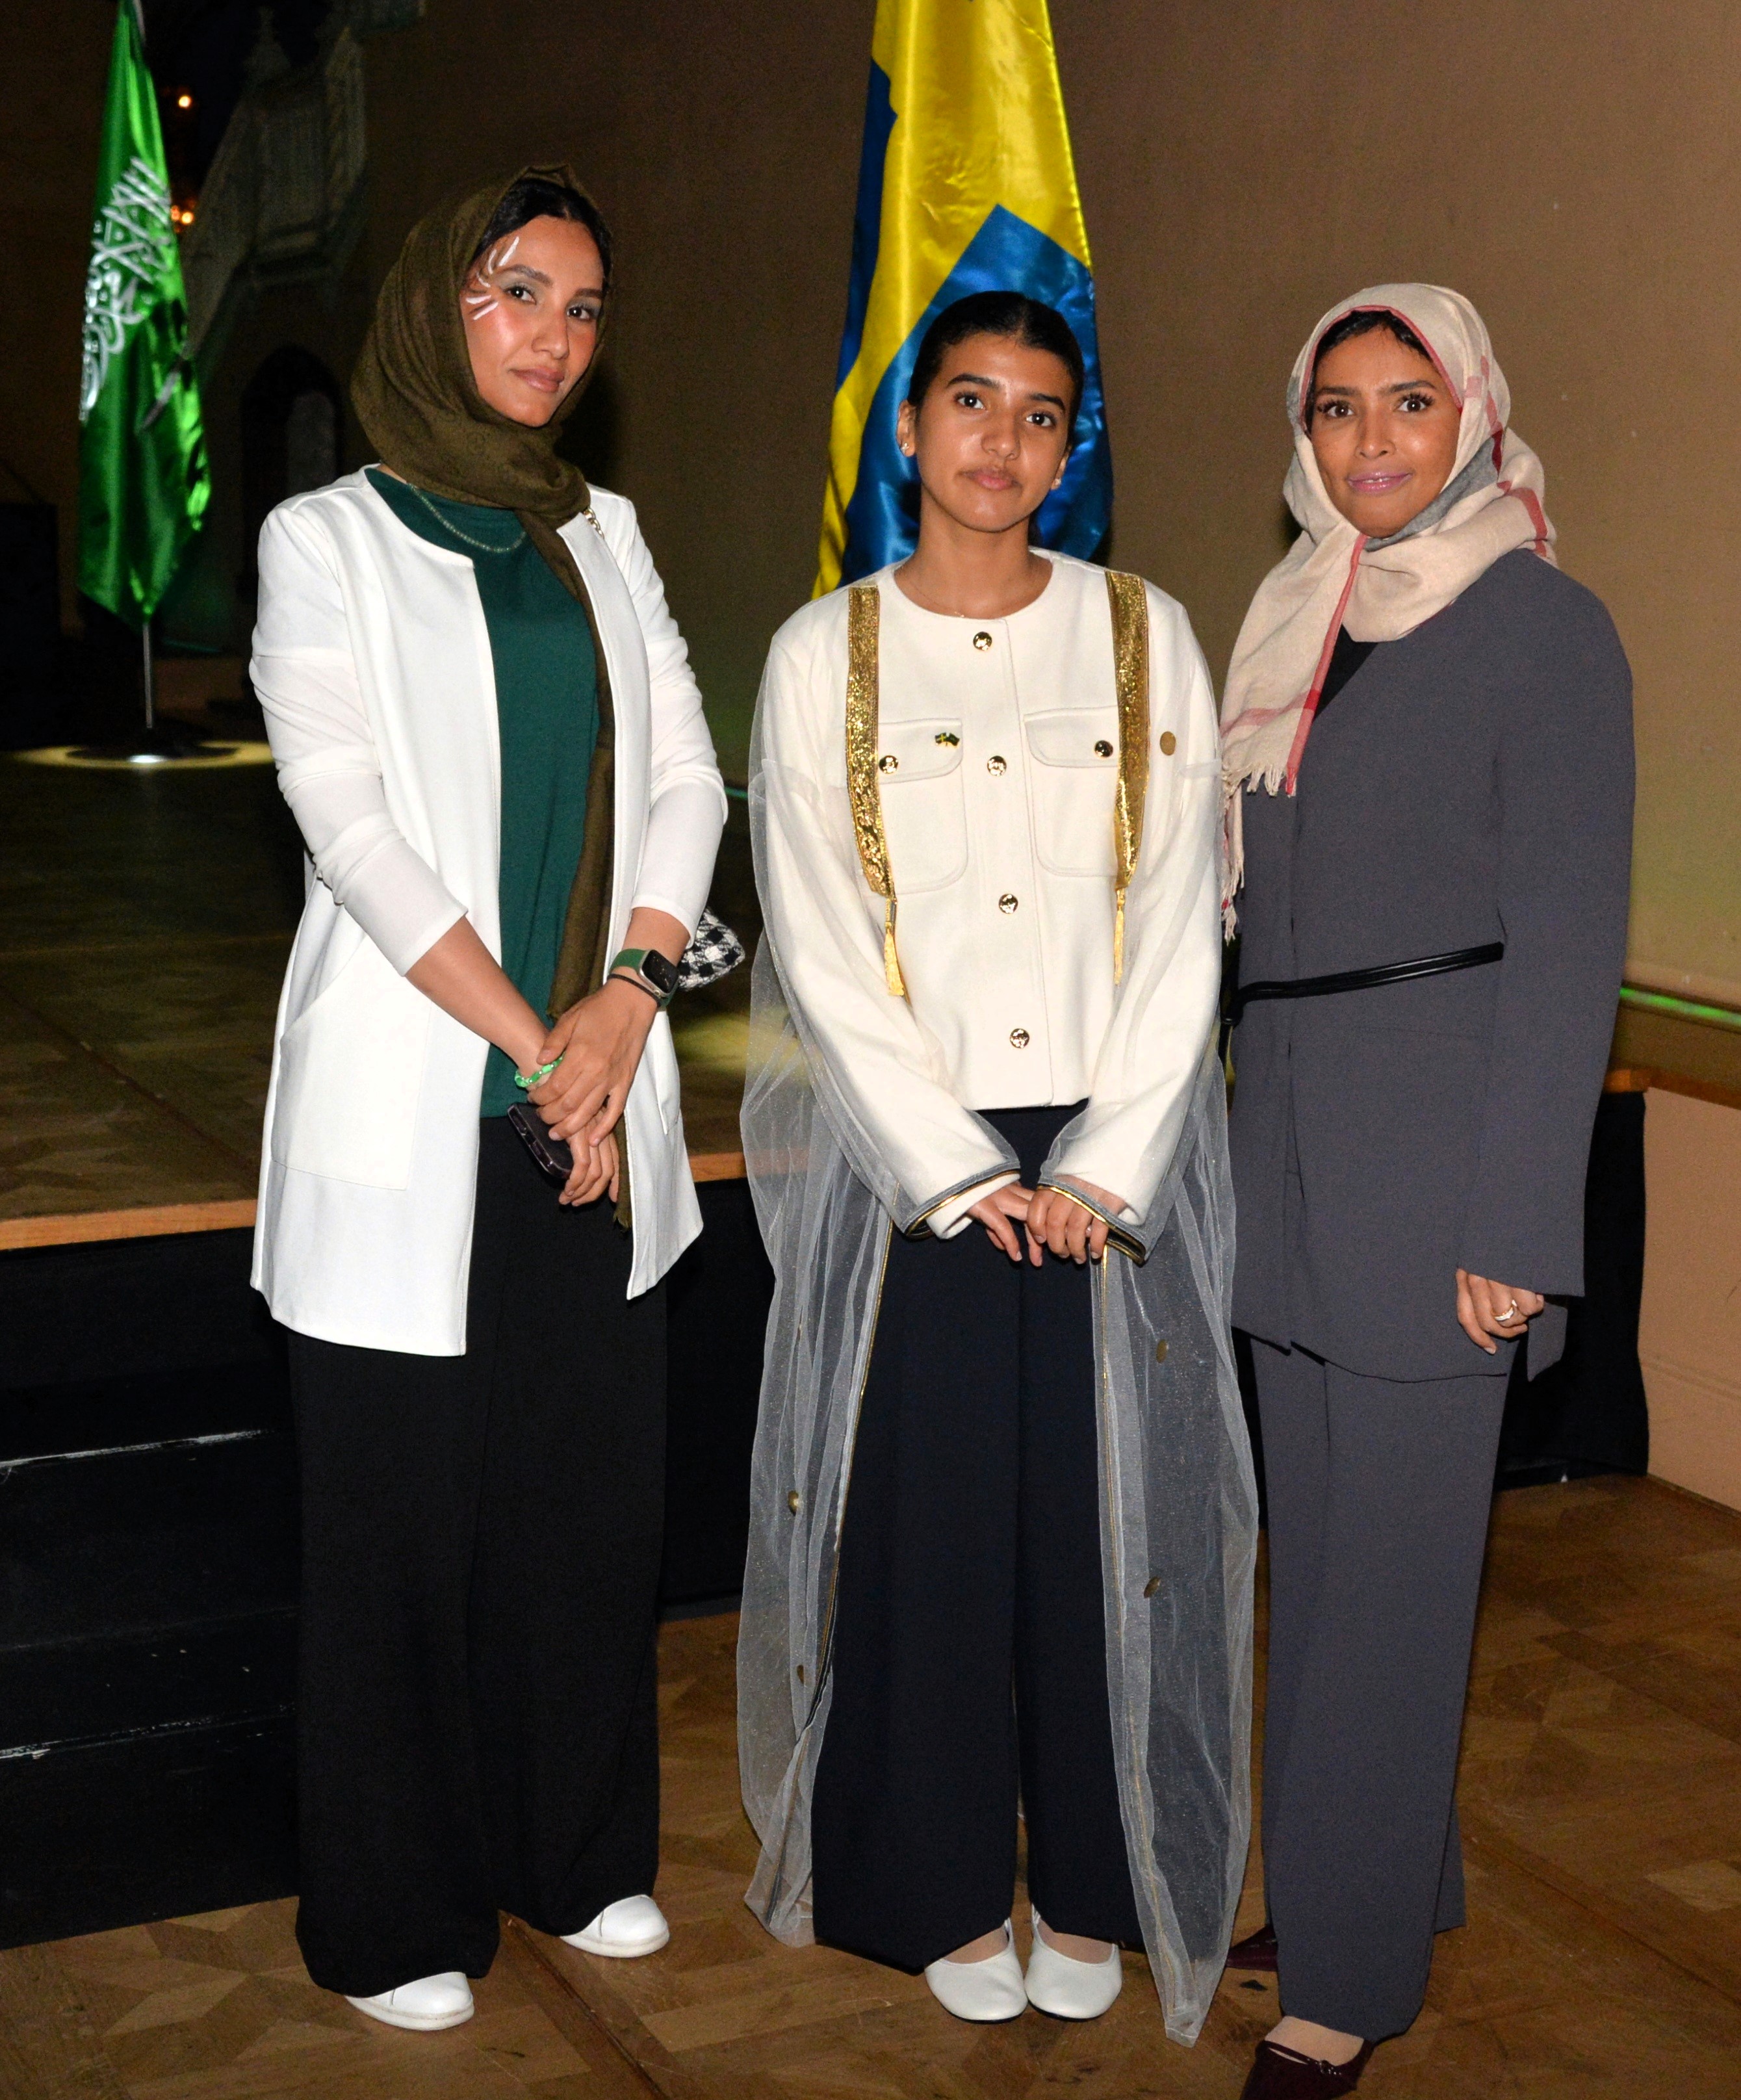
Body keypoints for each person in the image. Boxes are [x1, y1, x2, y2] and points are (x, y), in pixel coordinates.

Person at [736, 291, 1256, 2040]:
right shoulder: (824, 654)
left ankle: (1099, 1884)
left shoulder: (1144, 632)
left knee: (1113, 1534)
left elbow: (1183, 915)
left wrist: (1107, 1162)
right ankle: (934, 1881)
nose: (1002, 443)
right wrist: (957, 1173)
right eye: (971, 403)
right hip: (921, 1159)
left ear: (1068, 444)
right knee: (929, 1528)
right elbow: (816, 934)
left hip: (1112, 1151)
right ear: (909, 427)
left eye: (1041, 415)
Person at [248, 166, 726, 2032]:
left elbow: (685, 773)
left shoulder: (604, 528)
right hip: (423, 1106)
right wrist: (546, 1045)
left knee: (582, 1515)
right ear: (438, 303)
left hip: (597, 1093)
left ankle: (576, 1853)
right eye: (517, 291)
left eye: (583, 306)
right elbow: (351, 828)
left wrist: (628, 999)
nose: (554, 336)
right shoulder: (325, 540)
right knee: (399, 1539)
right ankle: (391, 1918)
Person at [1219, 284, 1632, 2096]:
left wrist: (1520, 1223)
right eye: (1337, 406)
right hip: (1293, 1152)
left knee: (1393, 1591)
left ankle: (1349, 1978)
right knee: (1324, 1570)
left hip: (1443, 1172)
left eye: (1408, 401)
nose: (1371, 439)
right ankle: (1375, 1873)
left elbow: (1572, 943)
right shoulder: (1303, 618)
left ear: (1473, 412)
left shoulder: (1544, 623)